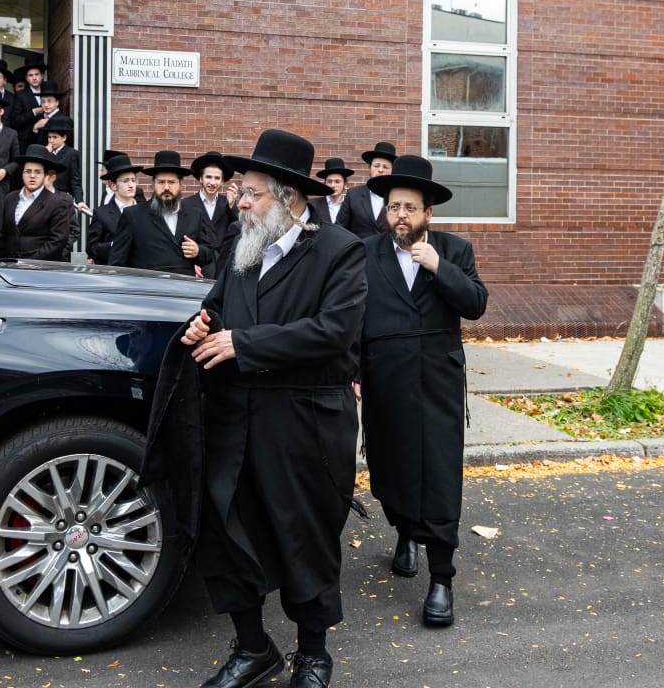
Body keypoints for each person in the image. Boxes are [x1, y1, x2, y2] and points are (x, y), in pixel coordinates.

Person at [143, 129, 366, 688]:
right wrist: (200, 328)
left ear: (288, 199)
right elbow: (216, 309)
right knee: (226, 533)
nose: (239, 202)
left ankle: (312, 654)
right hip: (236, 421)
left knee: (304, 538)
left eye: (251, 193)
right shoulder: (242, 250)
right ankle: (252, 649)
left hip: (304, 426)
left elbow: (334, 332)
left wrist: (244, 344)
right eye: (240, 192)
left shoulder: (340, 251)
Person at [358, 154, 487, 628]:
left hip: (438, 382)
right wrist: (352, 370)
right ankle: (405, 531)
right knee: (390, 467)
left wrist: (439, 267)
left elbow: (476, 305)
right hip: (384, 380)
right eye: (394, 207)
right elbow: (351, 315)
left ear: (428, 213)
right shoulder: (365, 253)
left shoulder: (454, 250)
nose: (401, 216)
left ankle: (441, 579)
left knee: (439, 473)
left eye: (410, 208)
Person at [110, 150, 214, 276]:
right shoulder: (133, 215)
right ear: (153, 184)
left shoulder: (195, 214)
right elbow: (117, 262)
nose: (166, 187)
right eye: (161, 182)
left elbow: (209, 253)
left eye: (171, 182)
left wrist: (198, 251)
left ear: (181, 185)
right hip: (148, 285)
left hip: (184, 286)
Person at [0, 145, 71, 261]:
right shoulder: (9, 199)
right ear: (22, 174)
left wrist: (31, 262)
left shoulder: (57, 202)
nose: (32, 176)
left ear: (45, 175)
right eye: (28, 171)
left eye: (37, 172)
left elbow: (58, 240)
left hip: (40, 266)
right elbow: (3, 235)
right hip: (9, 265)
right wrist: (2, 261)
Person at [182, 151, 238, 277]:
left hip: (224, 267)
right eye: (208, 177)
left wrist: (232, 206)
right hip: (199, 267)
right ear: (200, 179)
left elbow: (239, 228)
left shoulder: (228, 203)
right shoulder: (186, 204)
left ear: (222, 181)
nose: (212, 182)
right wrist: (190, 263)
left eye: (217, 178)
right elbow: (182, 237)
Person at [88, 152, 142, 265]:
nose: (131, 185)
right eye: (125, 181)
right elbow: (92, 248)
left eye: (133, 180)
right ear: (113, 185)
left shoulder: (146, 211)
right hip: (114, 271)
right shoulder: (101, 213)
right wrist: (115, 245)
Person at [344, 141, 397, 239]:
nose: (380, 170)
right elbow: (340, 229)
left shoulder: (398, 198)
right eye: (376, 166)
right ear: (369, 169)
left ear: (392, 171)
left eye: (385, 167)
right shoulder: (353, 195)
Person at [308, 158, 354, 230]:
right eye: (329, 181)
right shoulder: (312, 205)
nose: (333, 185)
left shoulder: (352, 206)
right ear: (325, 184)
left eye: (337, 181)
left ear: (345, 184)